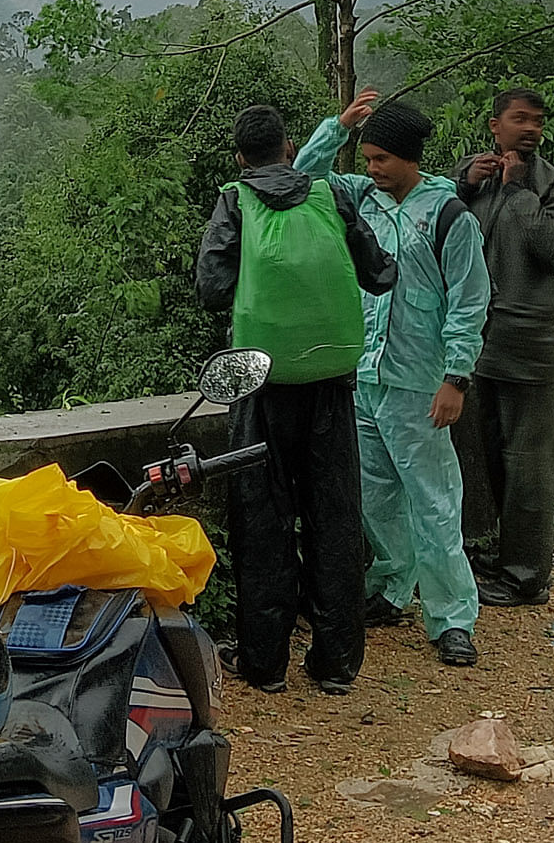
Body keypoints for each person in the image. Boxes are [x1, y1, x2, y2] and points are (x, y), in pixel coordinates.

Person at [196, 102, 398, 697]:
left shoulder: (235, 199)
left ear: (240, 157)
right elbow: (380, 274)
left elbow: (211, 289)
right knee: (335, 518)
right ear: (289, 148)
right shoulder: (330, 196)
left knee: (263, 521)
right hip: (333, 383)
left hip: (261, 386)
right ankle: (336, 663)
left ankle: (264, 663)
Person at [294, 90, 491, 668]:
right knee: (376, 496)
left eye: (382, 159)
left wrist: (456, 377)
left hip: (419, 383)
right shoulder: (363, 200)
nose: (373, 169)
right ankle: (391, 586)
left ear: (409, 158)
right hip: (366, 376)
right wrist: (339, 127)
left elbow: (469, 301)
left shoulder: (448, 215)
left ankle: (453, 617)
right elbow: (302, 180)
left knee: (433, 502)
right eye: (369, 158)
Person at [455, 88, 554, 608]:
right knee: (485, 457)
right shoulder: (474, 178)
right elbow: (436, 226)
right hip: (478, 341)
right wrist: (465, 185)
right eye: (519, 119)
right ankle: (498, 554)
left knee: (526, 461)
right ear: (494, 125)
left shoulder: (551, 184)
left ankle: (527, 576)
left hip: (528, 340)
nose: (530, 128)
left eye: (537, 121)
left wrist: (522, 192)